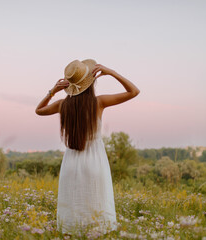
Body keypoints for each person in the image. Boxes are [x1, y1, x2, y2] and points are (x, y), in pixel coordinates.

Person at [35, 59, 140, 235]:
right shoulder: (98, 103)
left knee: (73, 206)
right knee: (97, 205)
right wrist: (110, 72)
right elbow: (134, 91)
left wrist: (53, 91)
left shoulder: (63, 105)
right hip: (95, 161)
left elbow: (39, 110)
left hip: (71, 163)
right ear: (90, 83)